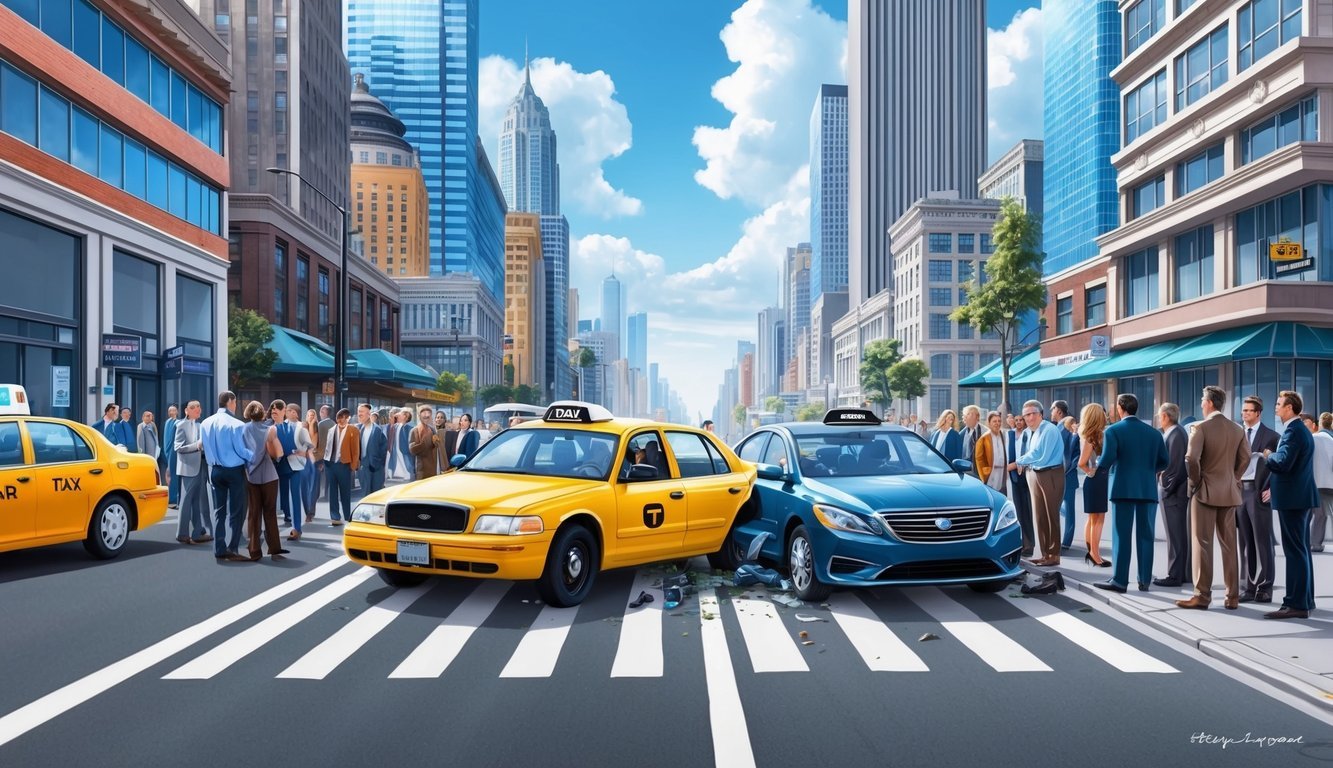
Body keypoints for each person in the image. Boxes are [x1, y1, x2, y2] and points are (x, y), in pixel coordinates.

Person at [1177, 386, 1248, 610]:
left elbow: (1190, 459)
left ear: (1209, 402)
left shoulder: (1200, 427)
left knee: (1202, 543)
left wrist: (1197, 482)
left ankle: (1202, 595)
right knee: (1229, 546)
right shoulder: (1237, 429)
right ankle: (1232, 596)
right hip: (1229, 492)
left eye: (1201, 400)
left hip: (1205, 492)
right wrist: (1234, 477)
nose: (1200, 403)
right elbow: (1245, 458)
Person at [1094, 394, 1169, 593]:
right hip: (1147, 489)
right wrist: (1147, 471)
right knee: (1146, 536)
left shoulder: (1113, 431)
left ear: (1120, 408)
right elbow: (1165, 462)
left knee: (1121, 536)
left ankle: (1120, 581)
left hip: (1122, 489)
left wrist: (1098, 465)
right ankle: (1144, 580)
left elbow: (1107, 459)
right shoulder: (1155, 433)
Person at [1260, 391, 1317, 619]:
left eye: (1279, 404)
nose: (1275, 407)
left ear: (1290, 408)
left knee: (1294, 552)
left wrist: (1267, 455)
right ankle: (1305, 600)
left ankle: (1295, 604)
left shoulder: (1293, 431)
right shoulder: (1300, 430)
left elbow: (1283, 462)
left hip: (1293, 499)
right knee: (1301, 551)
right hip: (1299, 497)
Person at [199, 391, 253, 562]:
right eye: (235, 402)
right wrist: (255, 456)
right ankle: (233, 548)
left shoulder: (205, 423)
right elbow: (240, 450)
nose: (235, 405)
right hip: (234, 471)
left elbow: (203, 446)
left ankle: (219, 548)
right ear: (230, 401)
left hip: (214, 470)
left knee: (219, 511)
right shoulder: (236, 424)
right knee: (237, 511)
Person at [1238, 396, 1279, 604]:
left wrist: (1272, 488)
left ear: (1258, 413)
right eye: (1243, 410)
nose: (1244, 413)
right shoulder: (1237, 434)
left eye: (1248, 411)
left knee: (1262, 542)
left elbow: (1279, 466)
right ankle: (1248, 587)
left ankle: (1265, 588)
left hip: (1258, 491)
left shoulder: (1272, 436)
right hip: (1239, 492)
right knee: (1244, 542)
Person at [1015, 400, 1066, 565]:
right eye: (1026, 415)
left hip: (1050, 474)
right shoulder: (1032, 431)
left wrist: (1018, 462)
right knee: (1040, 517)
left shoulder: (1049, 429)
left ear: (1041, 414)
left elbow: (1039, 454)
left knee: (1051, 516)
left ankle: (1054, 554)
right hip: (1035, 473)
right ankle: (1045, 554)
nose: (1029, 418)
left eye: (1032, 414)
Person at [241, 401, 285, 561]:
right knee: (270, 512)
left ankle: (254, 550)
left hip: (251, 476)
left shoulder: (243, 429)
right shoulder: (270, 430)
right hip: (269, 476)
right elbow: (278, 453)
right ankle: (274, 549)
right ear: (262, 414)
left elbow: (241, 451)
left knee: (253, 514)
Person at [1154, 402, 1191, 587]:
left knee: (1175, 536)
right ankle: (1182, 574)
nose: (1158, 418)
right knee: (1178, 536)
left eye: (1159, 415)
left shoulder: (1175, 434)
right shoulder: (1177, 432)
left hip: (1174, 494)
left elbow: (1175, 468)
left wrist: (1165, 488)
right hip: (1176, 492)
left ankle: (1174, 576)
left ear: (1166, 416)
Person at [172, 401, 211, 545]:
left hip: (200, 466)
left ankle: (197, 533)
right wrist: (197, 446)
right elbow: (178, 447)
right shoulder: (181, 425)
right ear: (186, 411)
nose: (198, 409)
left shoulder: (201, 426)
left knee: (196, 502)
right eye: (193, 407)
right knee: (186, 501)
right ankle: (182, 533)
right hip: (188, 468)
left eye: (199, 406)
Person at [1077, 403, 1110, 568]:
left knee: (1093, 518)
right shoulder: (1092, 436)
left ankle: (1093, 553)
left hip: (1095, 481)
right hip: (1096, 480)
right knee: (1097, 519)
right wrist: (1091, 471)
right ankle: (1095, 555)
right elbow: (1081, 462)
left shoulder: (1088, 434)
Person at [277, 403, 312, 539]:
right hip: (281, 463)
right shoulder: (279, 425)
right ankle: (287, 516)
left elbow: (308, 445)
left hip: (296, 464)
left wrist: (303, 452)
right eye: (287, 410)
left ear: (296, 413)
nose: (288, 413)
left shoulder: (301, 426)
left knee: (295, 496)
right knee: (283, 494)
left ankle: (297, 528)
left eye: (291, 411)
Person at [1051, 400, 1081, 549]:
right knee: (1066, 508)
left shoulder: (1065, 426)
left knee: (1062, 508)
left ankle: (1063, 542)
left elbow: (1069, 453)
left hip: (1064, 475)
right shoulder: (1062, 425)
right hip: (1066, 475)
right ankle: (1065, 542)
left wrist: (1063, 471)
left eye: (1053, 409)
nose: (1051, 412)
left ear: (1059, 411)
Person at [323, 408, 361, 526]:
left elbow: (356, 450)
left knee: (345, 493)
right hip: (330, 464)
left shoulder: (353, 430)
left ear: (348, 418)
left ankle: (347, 516)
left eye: (343, 418)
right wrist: (325, 462)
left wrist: (353, 467)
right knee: (332, 492)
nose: (340, 420)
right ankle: (335, 517)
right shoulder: (331, 430)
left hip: (345, 465)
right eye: (339, 418)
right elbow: (328, 447)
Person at [1006, 412, 1035, 557]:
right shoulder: (1010, 435)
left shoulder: (1029, 434)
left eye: (1021, 420)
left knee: (1028, 511)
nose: (1018, 422)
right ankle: (1021, 543)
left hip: (1027, 474)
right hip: (1014, 476)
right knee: (1018, 511)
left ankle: (1029, 545)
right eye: (1016, 420)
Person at [1306, 412, 1332, 553]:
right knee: (1320, 514)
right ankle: (1315, 543)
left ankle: (1308, 542)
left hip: (1310, 481)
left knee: (1310, 513)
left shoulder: (1312, 438)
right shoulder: (1330, 440)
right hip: (1326, 484)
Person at [356, 403, 387, 497]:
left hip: (375, 468)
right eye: (358, 412)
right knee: (365, 495)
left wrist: (377, 463)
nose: (359, 414)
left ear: (369, 414)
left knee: (376, 495)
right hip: (363, 468)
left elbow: (383, 449)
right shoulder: (359, 429)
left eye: (362, 412)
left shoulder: (377, 430)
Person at [975, 410, 1006, 494]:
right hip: (991, 474)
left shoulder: (1004, 435)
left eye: (999, 421)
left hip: (1003, 473)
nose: (997, 423)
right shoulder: (983, 438)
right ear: (989, 423)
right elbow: (979, 458)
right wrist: (985, 473)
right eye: (994, 421)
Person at [409, 406, 440, 480]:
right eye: (424, 413)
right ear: (419, 416)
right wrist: (423, 444)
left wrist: (436, 442)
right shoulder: (415, 430)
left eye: (429, 413)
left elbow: (437, 444)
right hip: (421, 466)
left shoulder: (432, 429)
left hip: (433, 464)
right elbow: (412, 449)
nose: (426, 415)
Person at [314, 404, 335, 511]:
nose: (320, 413)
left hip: (320, 456)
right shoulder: (334, 424)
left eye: (321, 411)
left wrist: (317, 456)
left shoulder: (321, 424)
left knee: (318, 479)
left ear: (324, 412)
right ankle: (327, 496)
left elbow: (320, 442)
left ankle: (319, 496)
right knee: (328, 479)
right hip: (331, 456)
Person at [301, 409, 320, 523]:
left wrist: (312, 426)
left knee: (313, 489)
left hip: (314, 461)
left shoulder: (317, 427)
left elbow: (313, 445)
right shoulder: (302, 427)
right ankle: (306, 511)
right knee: (304, 488)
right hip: (303, 461)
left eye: (313, 415)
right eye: (309, 415)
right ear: (306, 416)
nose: (311, 417)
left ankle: (310, 513)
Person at [958, 405, 983, 476]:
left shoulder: (985, 432)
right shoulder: (961, 434)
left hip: (980, 471)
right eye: (964, 415)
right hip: (965, 471)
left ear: (977, 417)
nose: (964, 417)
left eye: (968, 414)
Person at [162, 405, 179, 507]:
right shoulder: (168, 423)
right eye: (170, 410)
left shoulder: (178, 422)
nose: (172, 412)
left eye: (173, 410)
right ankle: (172, 498)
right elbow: (166, 438)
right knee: (171, 475)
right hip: (170, 452)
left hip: (176, 452)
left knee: (175, 475)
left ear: (177, 411)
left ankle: (176, 497)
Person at [387, 408, 411, 481]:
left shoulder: (407, 426)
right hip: (396, 447)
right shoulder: (397, 425)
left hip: (403, 447)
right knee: (398, 460)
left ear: (405, 417)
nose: (398, 416)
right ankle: (402, 474)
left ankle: (408, 474)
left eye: (401, 415)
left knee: (406, 461)